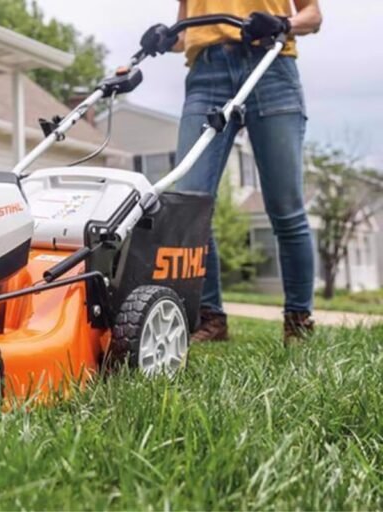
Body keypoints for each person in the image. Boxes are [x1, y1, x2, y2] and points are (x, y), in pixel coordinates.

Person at [140, 0, 323, 344]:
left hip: (270, 65)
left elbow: (313, 16)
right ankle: (209, 317)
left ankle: (298, 320)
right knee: (190, 204)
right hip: (206, 75)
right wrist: (167, 39)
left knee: (285, 207)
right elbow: (187, 31)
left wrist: (283, 23)